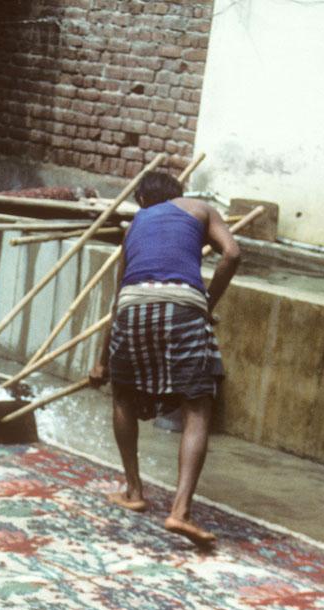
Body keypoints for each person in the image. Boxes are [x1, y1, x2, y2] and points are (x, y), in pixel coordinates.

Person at [89, 168, 240, 545]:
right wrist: (207, 303)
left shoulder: (135, 223)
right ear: (179, 193)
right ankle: (180, 511)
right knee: (197, 406)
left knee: (123, 395)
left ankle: (134, 492)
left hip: (133, 304)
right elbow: (233, 254)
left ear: (142, 200)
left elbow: (118, 297)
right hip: (184, 302)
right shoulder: (200, 208)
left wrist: (101, 362)